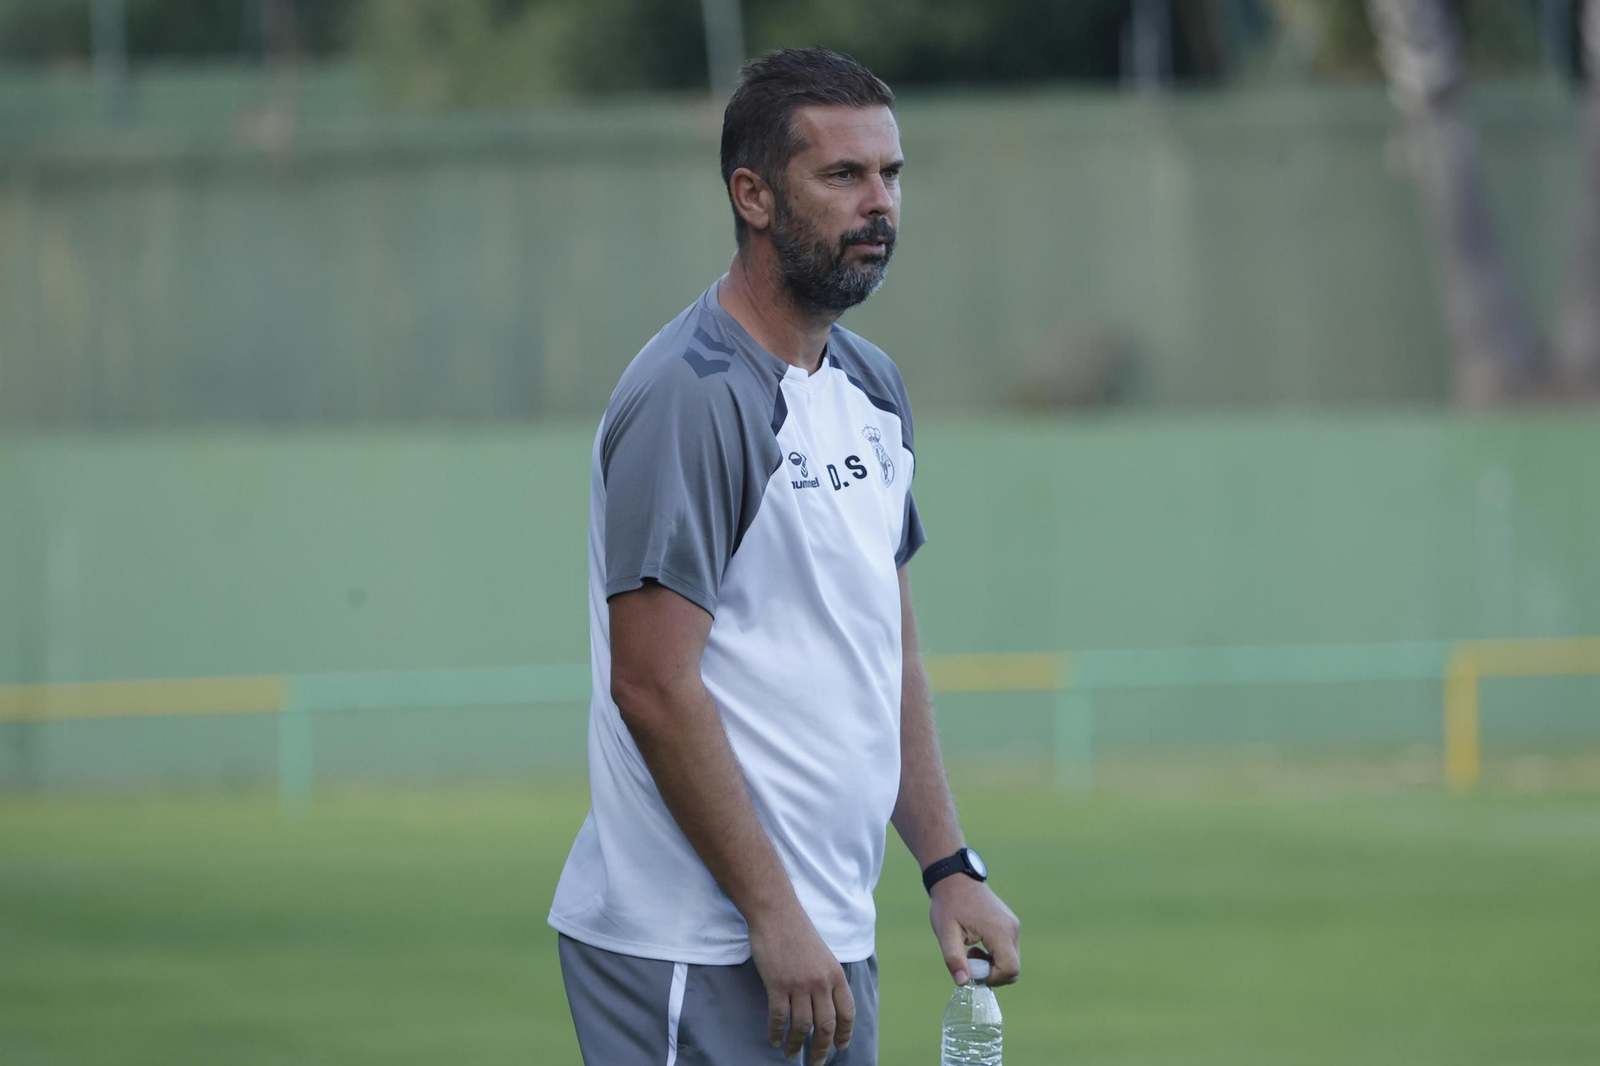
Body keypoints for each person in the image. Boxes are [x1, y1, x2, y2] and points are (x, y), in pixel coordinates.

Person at [549, 46, 1022, 1066]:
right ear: (752, 195)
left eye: (890, 175)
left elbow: (884, 649)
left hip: (824, 940)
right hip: (696, 948)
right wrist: (772, 913)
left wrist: (946, 864)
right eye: (842, 176)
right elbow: (652, 685)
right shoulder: (692, 394)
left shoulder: (871, 387)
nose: (878, 204)